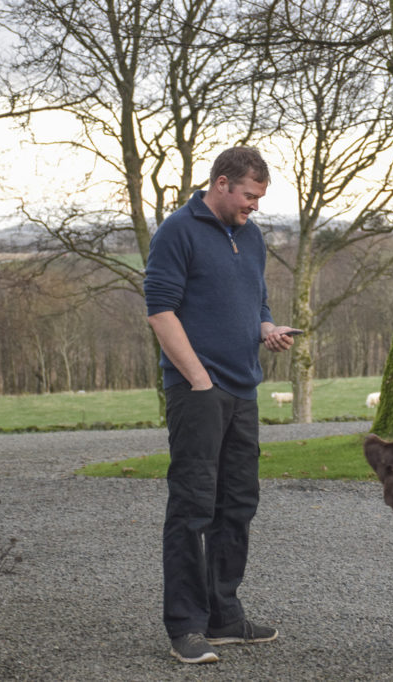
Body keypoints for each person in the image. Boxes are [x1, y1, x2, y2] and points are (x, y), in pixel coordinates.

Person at [144, 146, 296, 665]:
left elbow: (256, 302)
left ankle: (223, 615)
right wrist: (199, 380)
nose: (253, 207)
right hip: (198, 392)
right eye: (249, 197)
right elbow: (161, 312)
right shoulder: (176, 232)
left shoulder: (250, 236)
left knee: (237, 502)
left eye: (259, 199)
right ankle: (185, 627)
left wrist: (268, 330)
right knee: (192, 506)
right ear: (223, 182)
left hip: (244, 388)